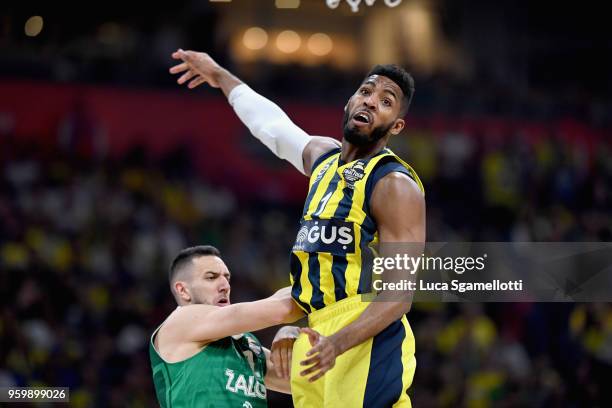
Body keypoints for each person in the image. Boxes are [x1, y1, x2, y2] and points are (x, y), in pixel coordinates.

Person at [170, 51, 426, 407]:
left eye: (386, 102)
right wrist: (219, 75)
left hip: (366, 336)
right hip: (316, 330)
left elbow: (399, 295)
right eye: (366, 92)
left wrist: (340, 341)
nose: (371, 101)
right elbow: (272, 127)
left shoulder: (394, 183)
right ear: (351, 101)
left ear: (396, 125)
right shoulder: (323, 160)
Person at [150, 245, 303, 407]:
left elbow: (305, 380)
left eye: (227, 278)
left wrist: (295, 334)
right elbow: (282, 310)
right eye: (211, 277)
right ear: (183, 291)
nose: (225, 286)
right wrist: (320, 279)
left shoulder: (245, 341)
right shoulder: (181, 321)